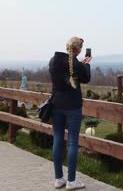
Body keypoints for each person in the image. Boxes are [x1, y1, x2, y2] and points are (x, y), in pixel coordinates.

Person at [49, 37, 91, 190]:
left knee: (58, 139)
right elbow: (86, 78)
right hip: (73, 106)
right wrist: (87, 63)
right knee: (73, 141)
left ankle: (59, 179)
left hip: (56, 104)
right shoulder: (78, 65)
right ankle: (72, 181)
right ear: (79, 50)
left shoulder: (53, 60)